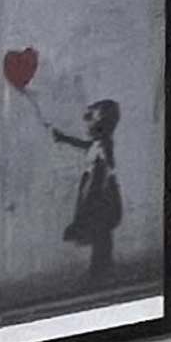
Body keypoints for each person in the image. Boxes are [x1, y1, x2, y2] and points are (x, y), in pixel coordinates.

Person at [31, 90, 129, 286]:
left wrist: (97, 185)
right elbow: (84, 145)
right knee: (100, 234)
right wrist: (63, 138)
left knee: (101, 234)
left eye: (91, 119)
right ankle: (100, 269)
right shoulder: (97, 144)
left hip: (101, 194)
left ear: (101, 124)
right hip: (96, 192)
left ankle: (101, 270)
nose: (87, 124)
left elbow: (107, 167)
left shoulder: (103, 145)